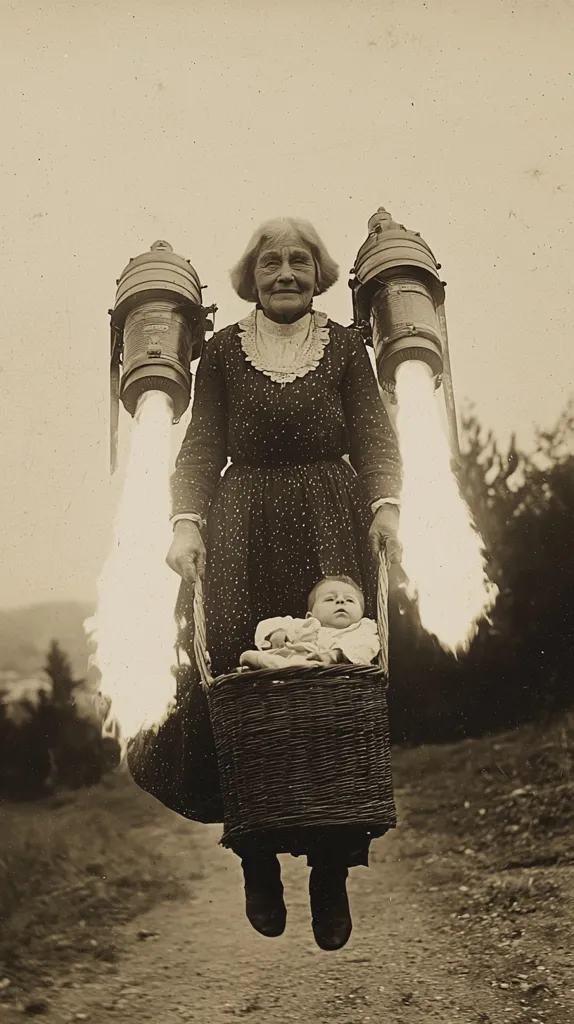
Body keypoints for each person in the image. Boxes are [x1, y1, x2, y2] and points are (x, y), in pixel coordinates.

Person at [166, 216, 402, 951]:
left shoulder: (343, 348)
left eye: (300, 260)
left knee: (335, 678)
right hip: (242, 530)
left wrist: (385, 507)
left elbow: (372, 433)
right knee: (243, 682)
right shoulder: (220, 352)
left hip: (331, 522)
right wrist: (186, 523)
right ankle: (257, 857)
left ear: (319, 270)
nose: (286, 273)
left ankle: (331, 872)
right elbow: (202, 446)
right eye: (272, 262)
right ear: (252, 274)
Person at [239, 575, 380, 671]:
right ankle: (262, 666)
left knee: (302, 665)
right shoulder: (306, 624)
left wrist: (334, 655)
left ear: (361, 613)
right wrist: (277, 633)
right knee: (256, 655)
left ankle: (262, 666)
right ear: (309, 615)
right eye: (330, 599)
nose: (340, 601)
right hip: (292, 668)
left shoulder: (363, 628)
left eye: (349, 600)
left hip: (333, 672)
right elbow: (268, 624)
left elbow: (367, 645)